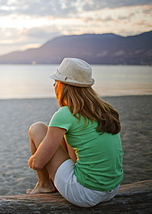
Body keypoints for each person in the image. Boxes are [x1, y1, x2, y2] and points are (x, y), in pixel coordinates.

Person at [27, 58, 123, 207]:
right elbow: (74, 157)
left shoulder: (66, 113)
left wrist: (32, 161)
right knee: (67, 135)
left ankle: (44, 184)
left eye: (56, 81)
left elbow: (38, 163)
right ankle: (49, 183)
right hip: (111, 189)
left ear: (63, 86)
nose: (54, 84)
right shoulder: (105, 110)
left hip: (85, 193)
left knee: (37, 127)